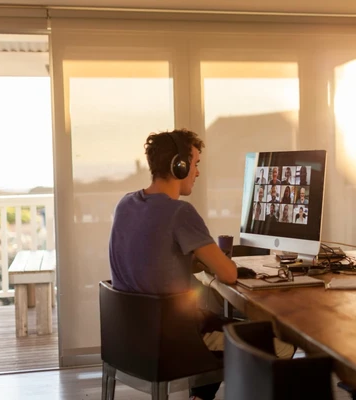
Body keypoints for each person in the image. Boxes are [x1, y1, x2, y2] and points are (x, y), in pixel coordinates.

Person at [108, 129, 293, 400]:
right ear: (179, 166)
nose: (197, 172)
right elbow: (228, 274)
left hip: (131, 339)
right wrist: (215, 261)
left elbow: (149, 256)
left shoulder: (125, 204)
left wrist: (191, 258)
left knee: (210, 317)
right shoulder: (180, 212)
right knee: (283, 345)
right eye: (195, 164)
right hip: (174, 340)